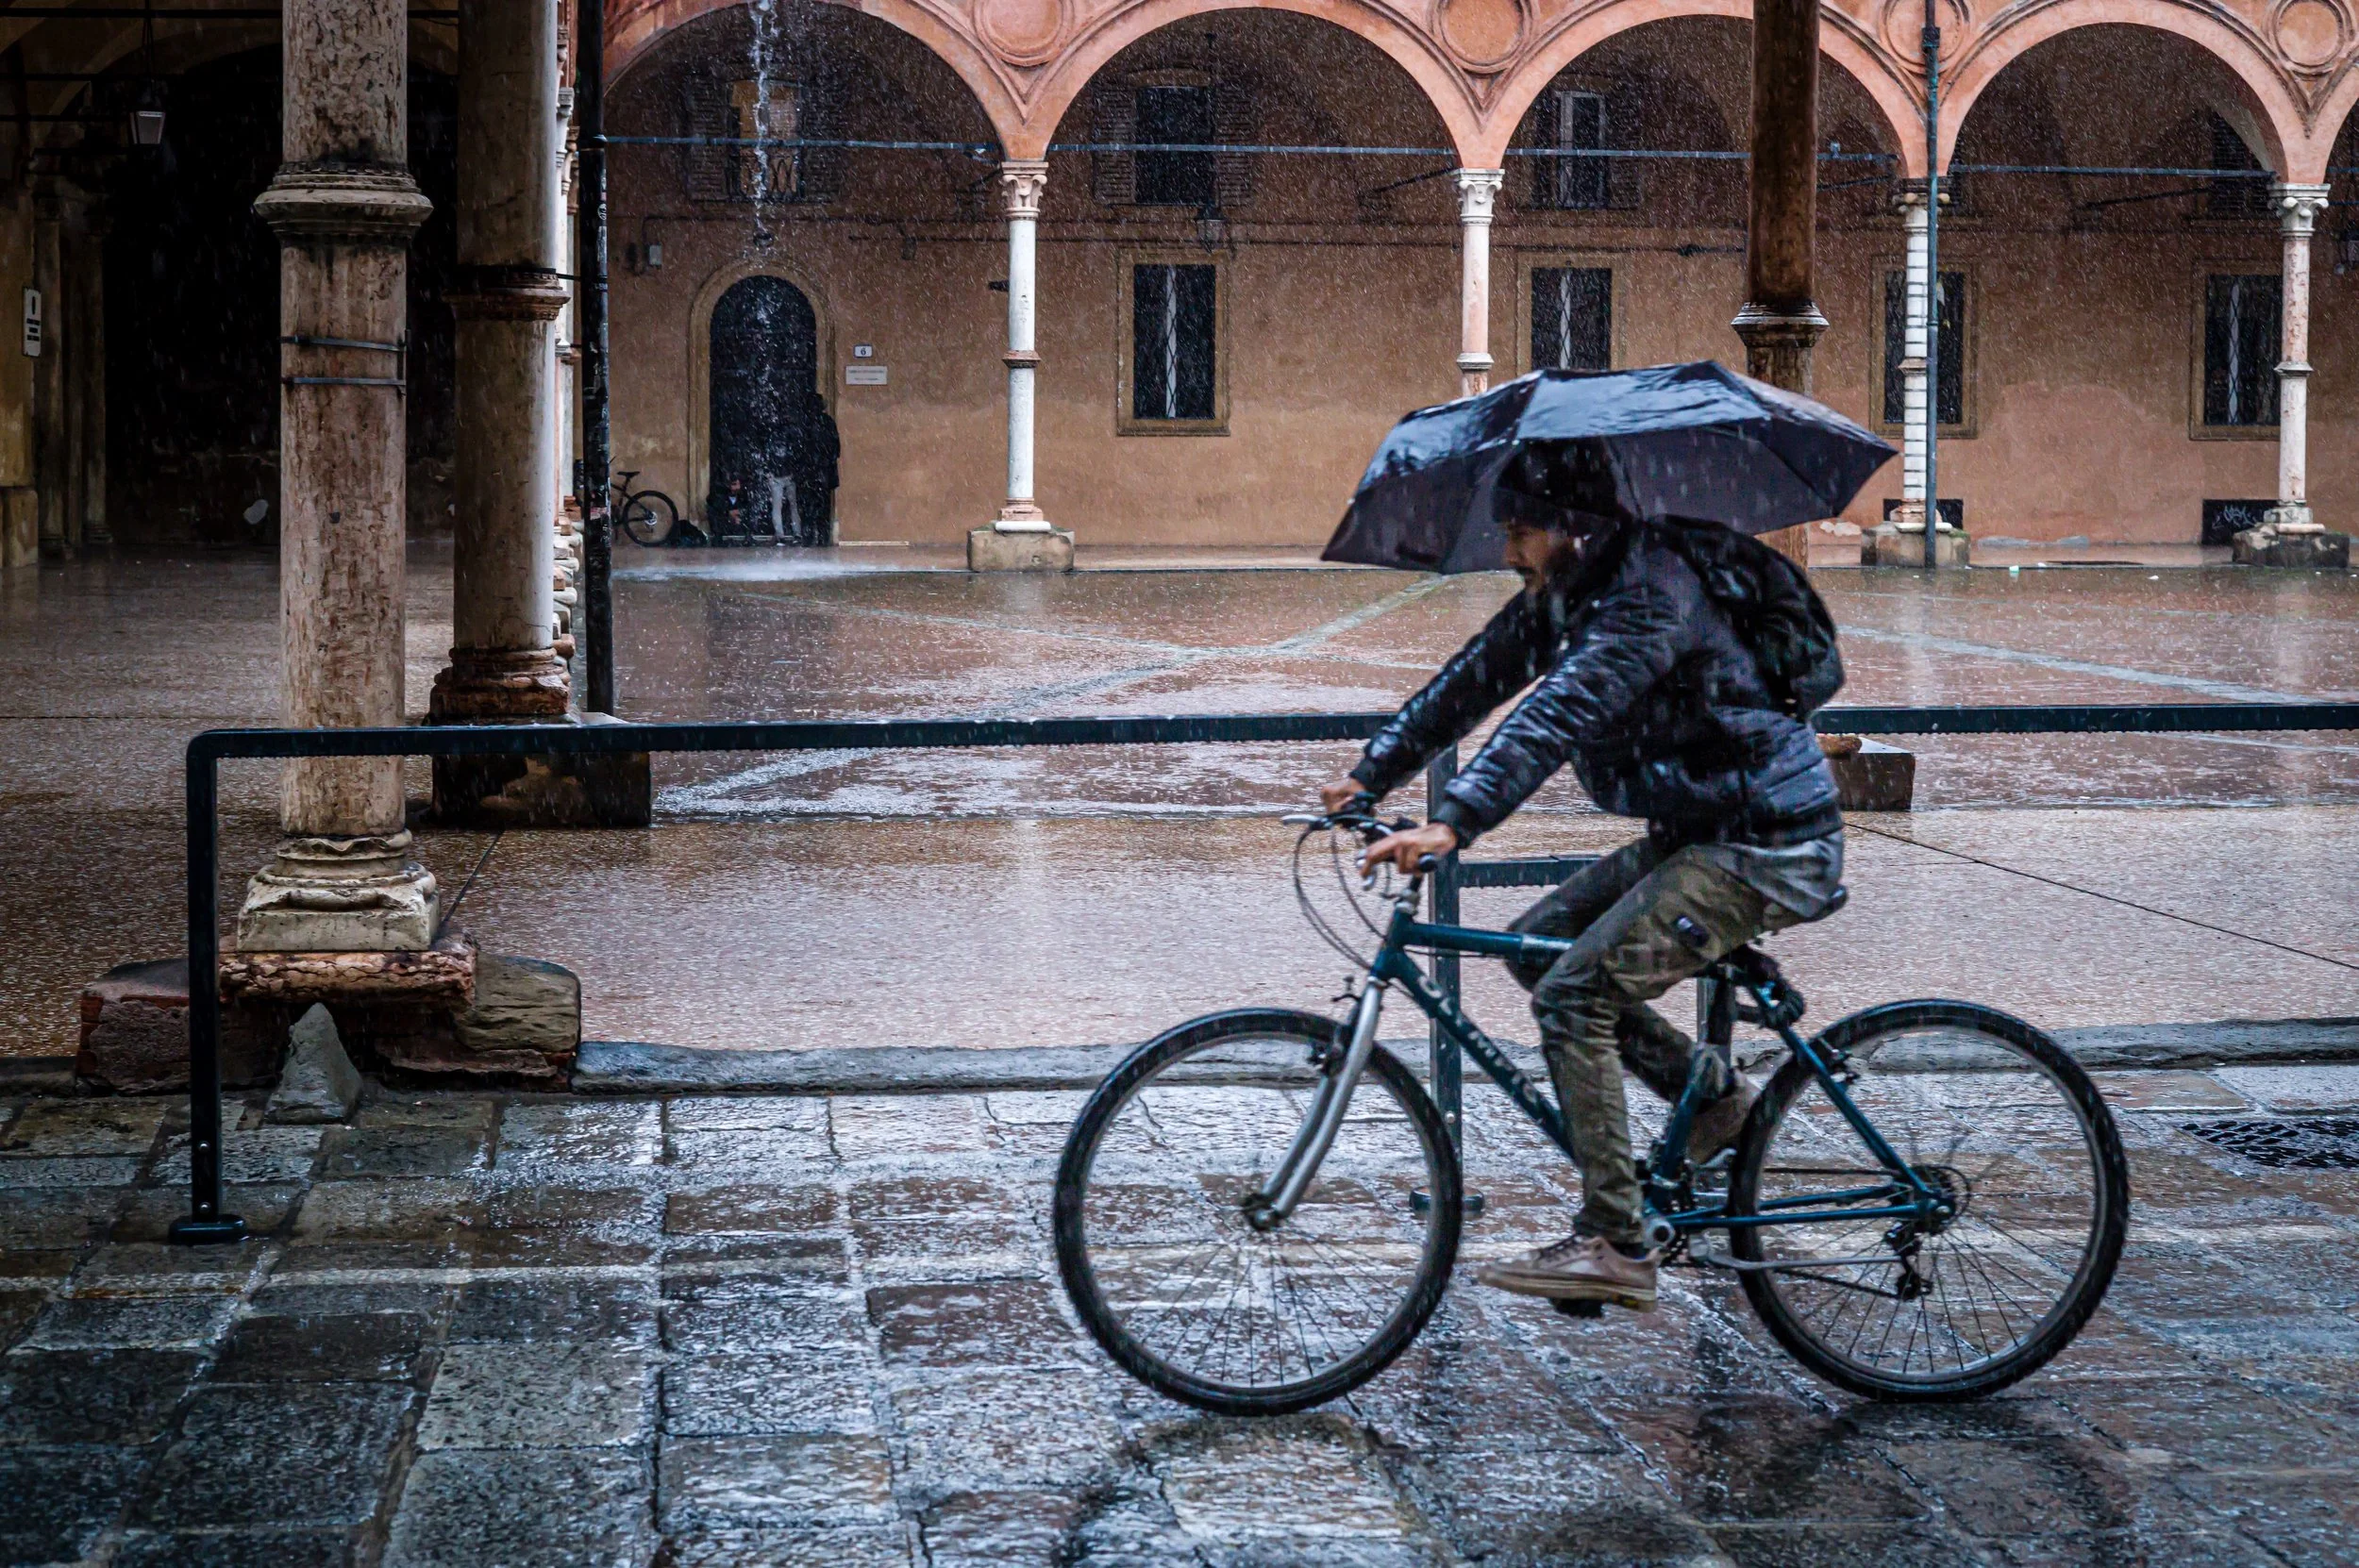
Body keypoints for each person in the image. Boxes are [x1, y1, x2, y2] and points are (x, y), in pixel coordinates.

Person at [1318, 482, 1846, 1312]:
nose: (1508, 552)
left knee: (1575, 993)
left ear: (1575, 528)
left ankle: (1615, 1242)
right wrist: (1369, 773)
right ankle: (1710, 1102)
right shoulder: (1573, 589)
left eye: (1522, 532)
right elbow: (1476, 680)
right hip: (1703, 827)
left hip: (1765, 843)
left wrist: (1454, 821)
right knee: (1545, 948)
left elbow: (1558, 712)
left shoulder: (1647, 595)